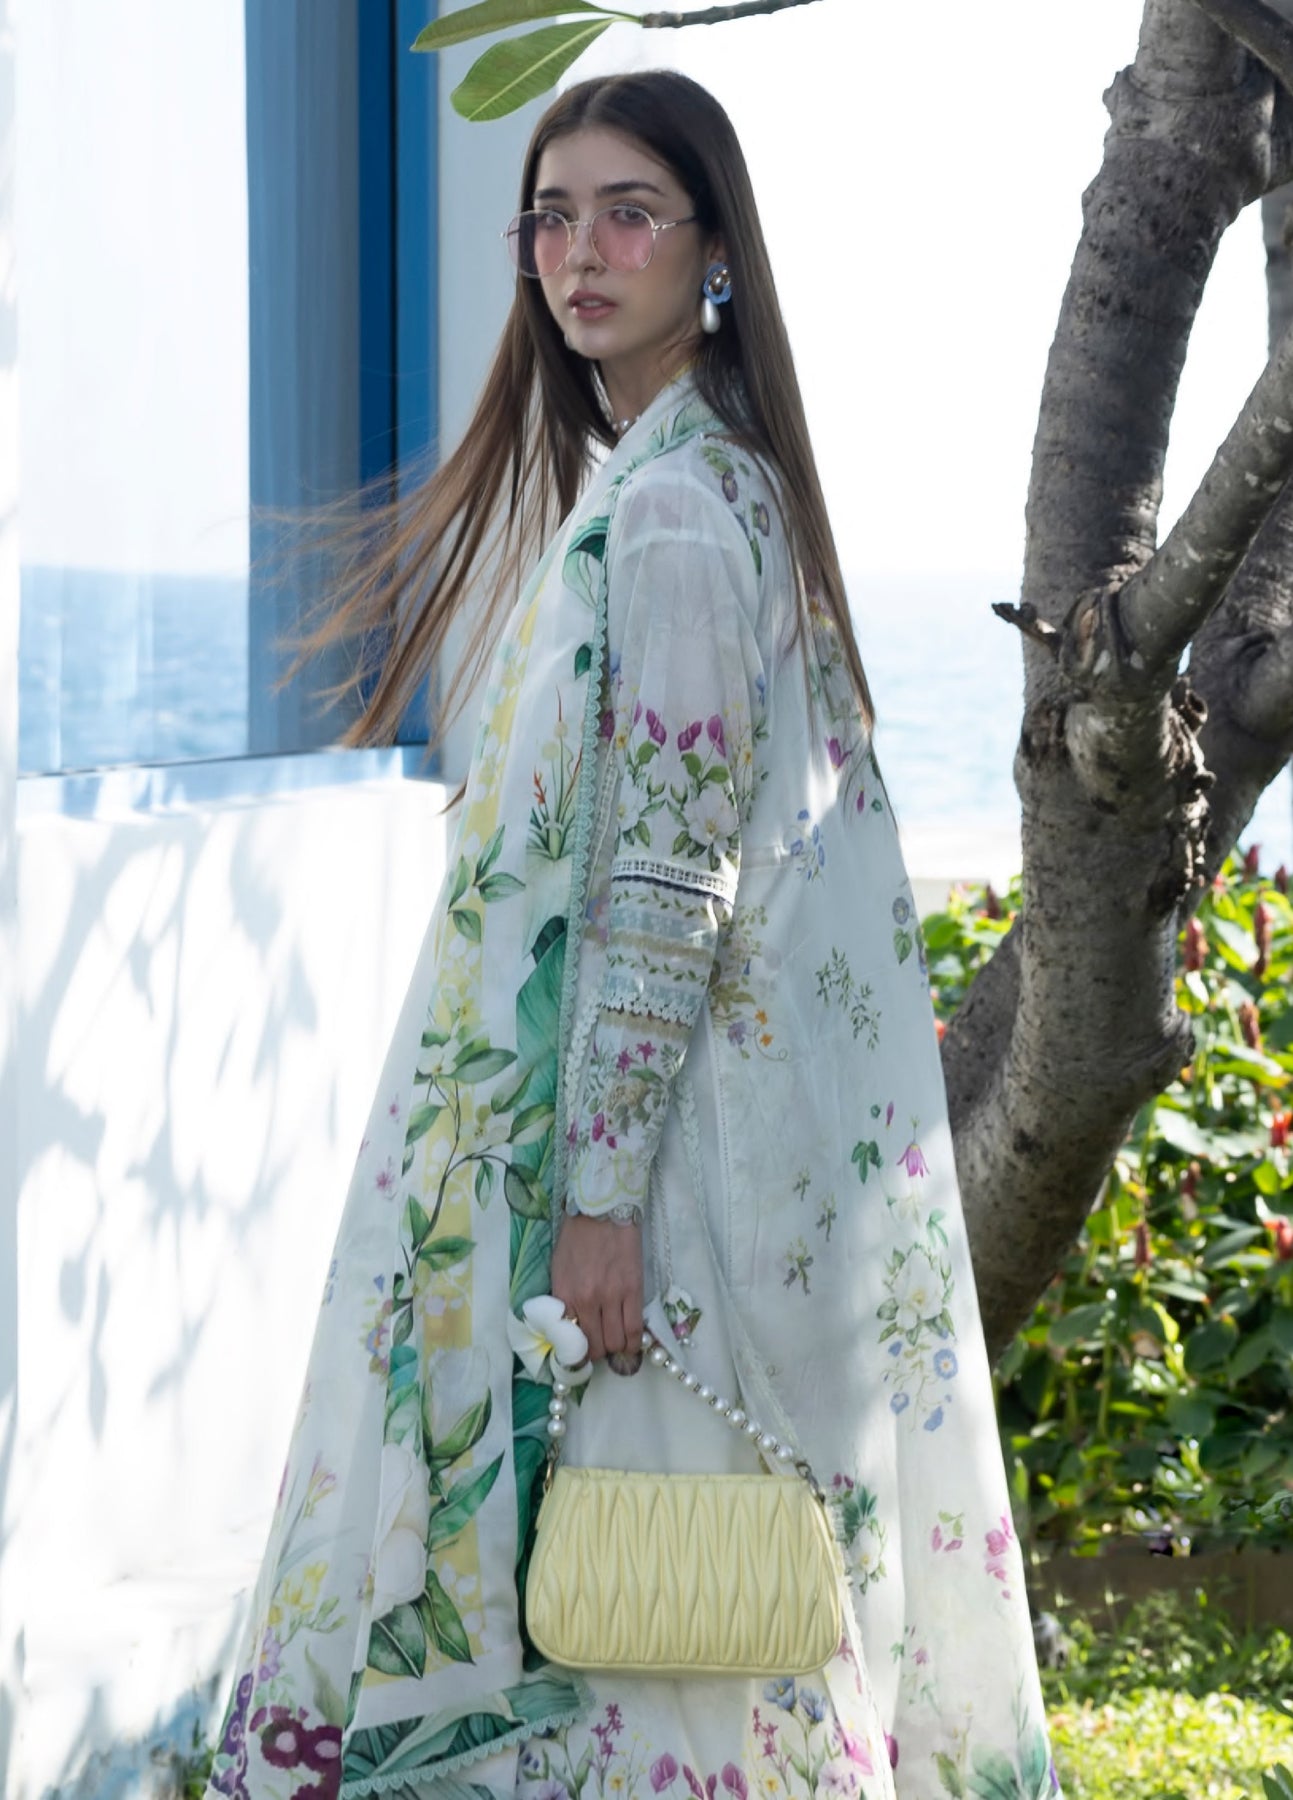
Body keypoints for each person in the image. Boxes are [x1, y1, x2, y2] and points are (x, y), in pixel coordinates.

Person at [205, 69, 1059, 1800]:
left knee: (663, 1647)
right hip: (705, 1159)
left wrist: (595, 1201)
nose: (578, 252)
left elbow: (670, 889)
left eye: (626, 213)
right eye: (549, 217)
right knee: (695, 1657)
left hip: (664, 1192)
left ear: (713, 252)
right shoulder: (693, 483)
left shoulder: (673, 509)